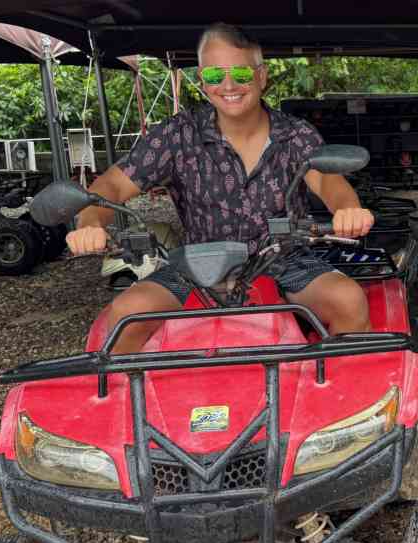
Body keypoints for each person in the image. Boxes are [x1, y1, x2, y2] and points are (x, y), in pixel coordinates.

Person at [67, 23, 374, 354]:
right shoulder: (176, 135)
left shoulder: (295, 135)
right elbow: (112, 183)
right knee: (127, 312)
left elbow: (329, 180)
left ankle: (336, 401)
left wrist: (347, 209)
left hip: (284, 259)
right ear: (202, 80)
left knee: (348, 299)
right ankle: (131, 402)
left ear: (261, 76)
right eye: (215, 76)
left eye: (241, 73)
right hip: (196, 265)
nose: (228, 85)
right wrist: (90, 223)